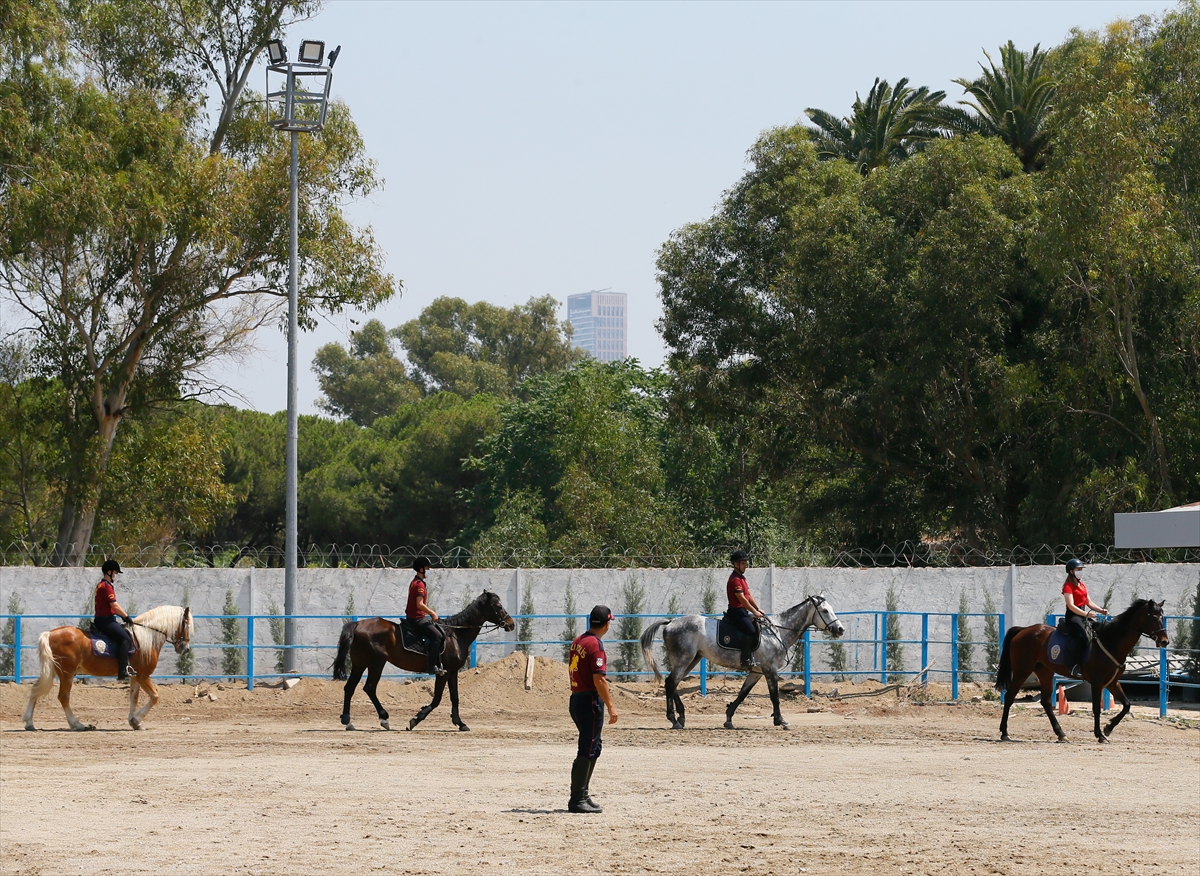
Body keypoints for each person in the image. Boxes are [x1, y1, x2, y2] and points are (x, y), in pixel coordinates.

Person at [566, 605, 618, 814]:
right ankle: (577, 798)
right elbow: (600, 679)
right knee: (587, 748)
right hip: (589, 701)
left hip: (577, 698)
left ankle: (583, 794)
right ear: (606, 624)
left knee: (593, 747)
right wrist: (611, 706)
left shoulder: (579, 640)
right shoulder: (596, 646)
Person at [1062, 558, 1108, 676]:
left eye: (1081, 569)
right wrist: (1086, 614)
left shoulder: (1081, 585)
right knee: (1083, 637)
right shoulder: (1068, 586)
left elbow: (1089, 602)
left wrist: (1101, 610)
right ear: (1071, 571)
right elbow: (1071, 606)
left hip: (1083, 615)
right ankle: (1074, 665)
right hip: (1073, 616)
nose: (1081, 571)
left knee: (1097, 632)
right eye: (1078, 569)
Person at [93, 559, 137, 681]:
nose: (115, 576)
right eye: (115, 573)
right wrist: (126, 617)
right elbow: (115, 606)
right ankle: (122, 670)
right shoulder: (106, 587)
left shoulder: (101, 585)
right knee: (125, 639)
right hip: (106, 621)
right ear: (109, 572)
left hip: (103, 619)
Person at [724, 549, 765, 669]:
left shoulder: (742, 578)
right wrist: (754, 612)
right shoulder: (735, 580)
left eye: (745, 563)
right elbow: (742, 599)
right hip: (736, 612)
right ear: (736, 564)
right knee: (751, 631)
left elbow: (749, 595)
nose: (745, 566)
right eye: (742, 563)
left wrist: (758, 608)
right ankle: (745, 659)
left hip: (742, 611)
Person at [405, 556, 446, 676]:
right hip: (417, 618)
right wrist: (432, 613)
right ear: (421, 569)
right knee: (437, 636)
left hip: (414, 617)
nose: (429, 570)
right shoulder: (419, 585)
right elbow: (419, 604)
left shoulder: (415, 582)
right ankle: (431, 666)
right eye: (427, 568)